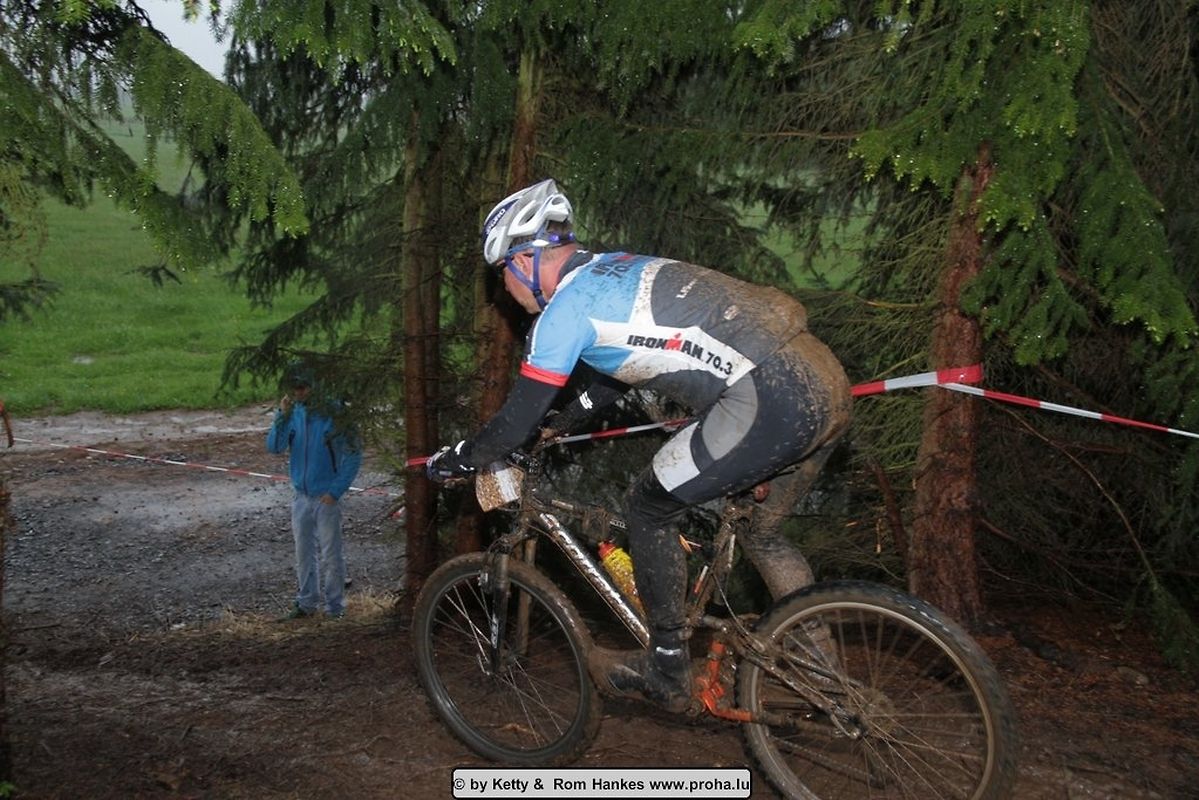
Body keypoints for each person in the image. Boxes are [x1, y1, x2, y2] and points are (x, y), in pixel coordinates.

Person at [426, 179, 851, 711]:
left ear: (523, 262)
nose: (504, 289)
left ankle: (667, 666)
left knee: (648, 508)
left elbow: (512, 425)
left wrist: (457, 459)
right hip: (822, 379)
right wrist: (559, 424)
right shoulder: (617, 266)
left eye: (501, 274)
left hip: (766, 396)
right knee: (761, 534)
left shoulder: (564, 311)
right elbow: (616, 374)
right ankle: (826, 677)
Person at [267, 362, 363, 620]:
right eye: (294, 388)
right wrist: (282, 416)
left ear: (314, 387)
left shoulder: (336, 413)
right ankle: (306, 603)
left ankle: (335, 607)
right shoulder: (293, 413)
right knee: (303, 553)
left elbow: (354, 454)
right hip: (301, 495)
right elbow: (274, 447)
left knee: (331, 555)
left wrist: (335, 491)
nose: (298, 393)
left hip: (326, 497)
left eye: (302, 387)